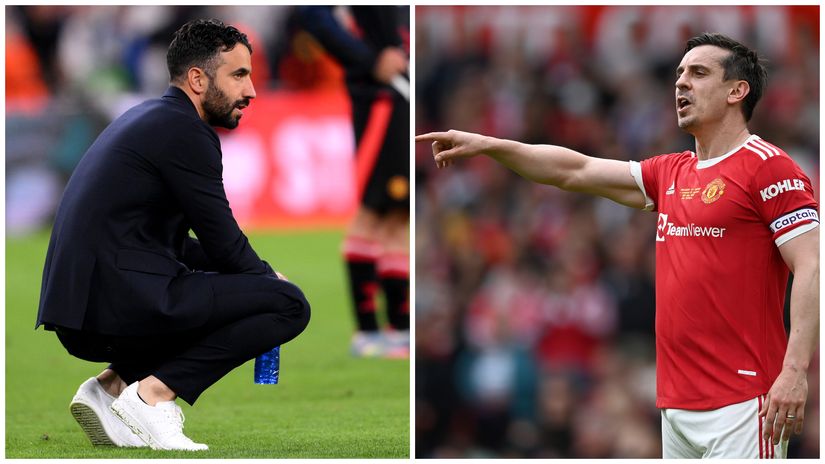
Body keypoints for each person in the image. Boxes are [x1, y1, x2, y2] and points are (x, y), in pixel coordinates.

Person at [416, 33, 819, 459]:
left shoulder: (769, 167)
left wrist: (795, 370)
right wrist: (492, 146)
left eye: (699, 73)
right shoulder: (671, 171)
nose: (681, 83)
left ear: (737, 91)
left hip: (744, 402)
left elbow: (811, 265)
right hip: (676, 406)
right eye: (680, 73)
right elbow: (575, 170)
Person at [36, 19, 311, 451]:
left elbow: (173, 243)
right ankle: (154, 395)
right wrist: (267, 280)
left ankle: (110, 387)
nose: (252, 90)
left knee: (234, 289)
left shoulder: (148, 117)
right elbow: (224, 242)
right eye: (239, 75)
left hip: (79, 309)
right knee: (288, 305)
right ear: (198, 79)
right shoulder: (186, 132)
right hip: (115, 302)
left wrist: (257, 277)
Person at [296, 6, 410, 358]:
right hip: (382, 98)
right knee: (372, 213)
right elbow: (313, 15)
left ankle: (398, 330)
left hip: (401, 95)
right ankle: (369, 331)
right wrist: (370, 60)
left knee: (399, 218)